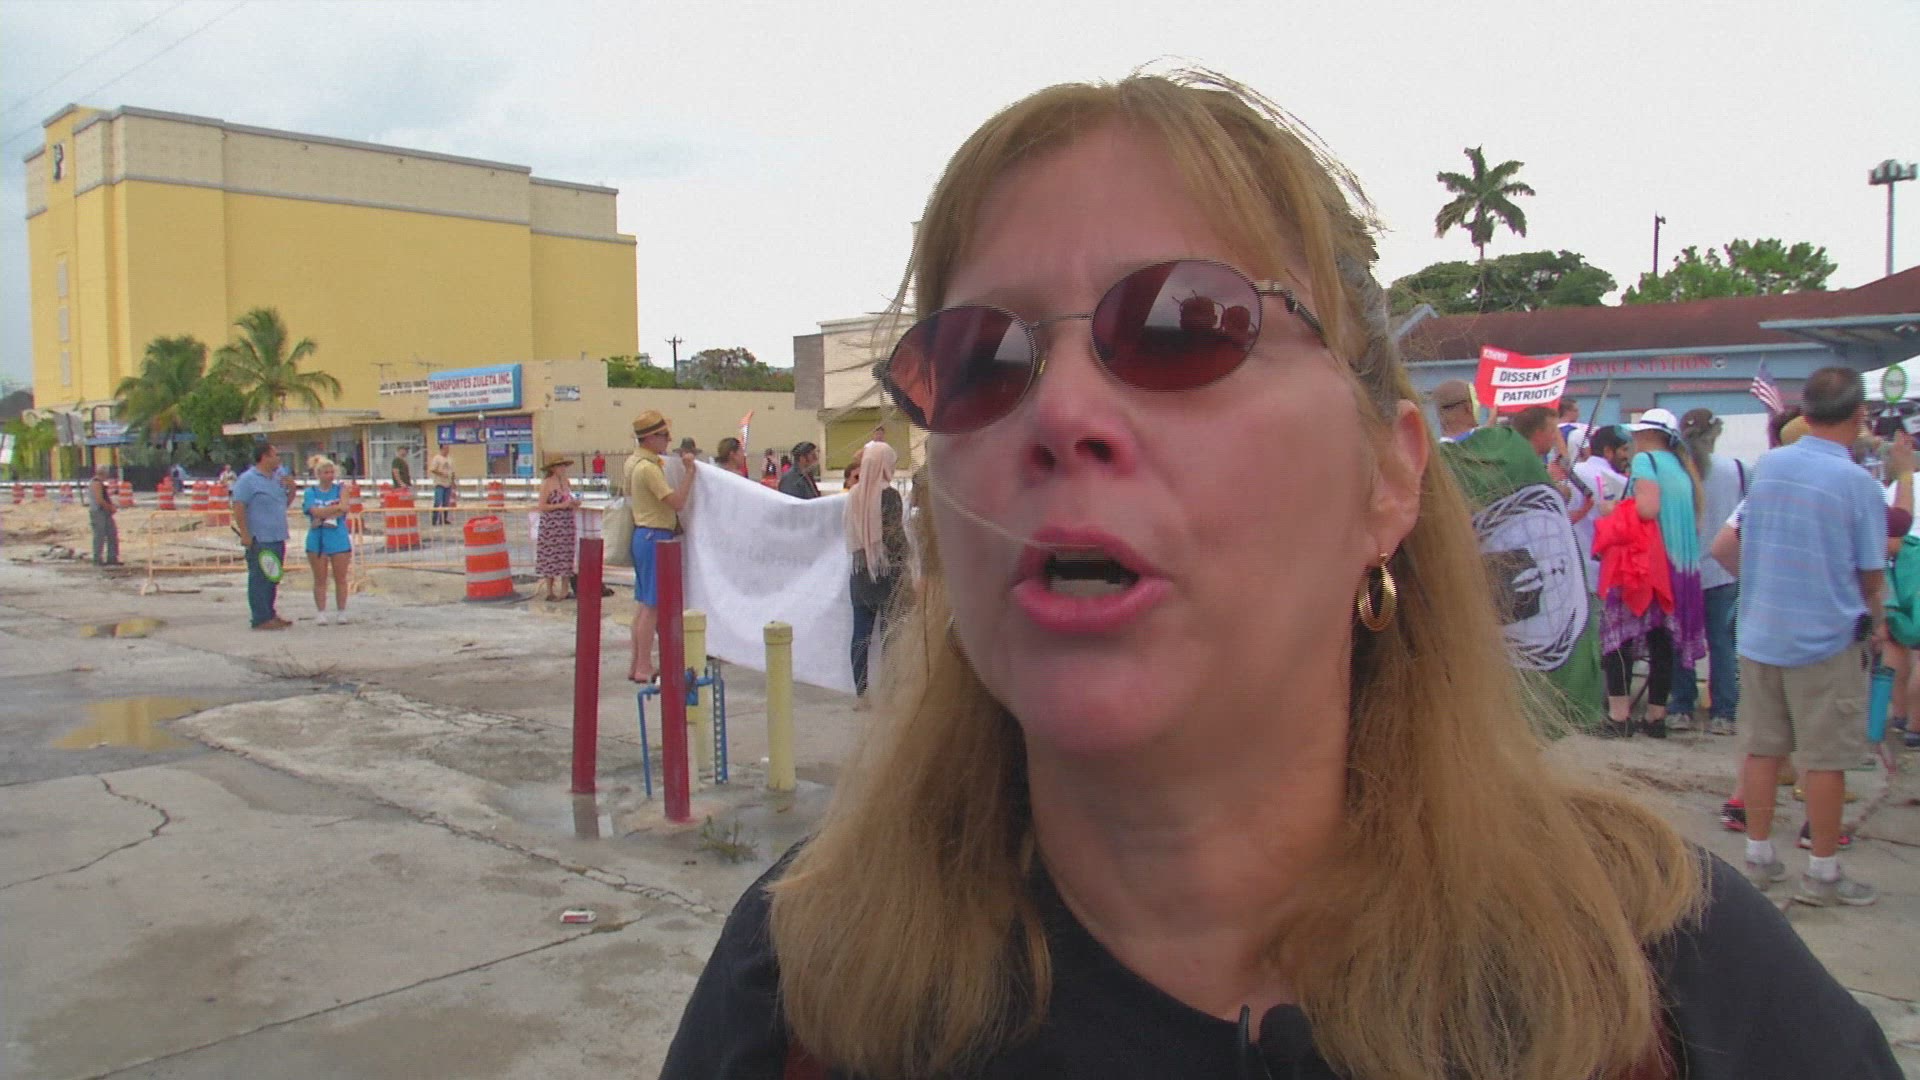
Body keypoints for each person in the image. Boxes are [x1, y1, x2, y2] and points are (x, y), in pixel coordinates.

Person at [660, 71, 1895, 1080]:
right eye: (980, 358)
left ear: (1388, 478)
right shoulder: (800, 990)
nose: (1062, 412)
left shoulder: (1681, 996)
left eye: (1181, 325)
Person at [1724, 367, 1890, 908]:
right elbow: (1870, 571)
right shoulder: (1858, 484)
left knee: (1761, 749)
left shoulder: (1769, 466)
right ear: (1859, 414)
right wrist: (1875, 618)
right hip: (1825, 638)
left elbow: (1736, 541)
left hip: (1760, 632)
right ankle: (1822, 871)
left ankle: (1758, 858)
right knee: (1825, 758)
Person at [1595, 408, 1707, 739]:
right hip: (1678, 566)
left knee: (1619, 638)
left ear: (1647, 435)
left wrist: (1612, 509)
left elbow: (1647, 508)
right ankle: (1656, 716)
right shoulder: (1681, 466)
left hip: (1645, 566)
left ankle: (1619, 715)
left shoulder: (1646, 461)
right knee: (1662, 642)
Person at [1668, 409, 1745, 736]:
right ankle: (1724, 712)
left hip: (1682, 568)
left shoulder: (1674, 471)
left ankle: (1681, 707)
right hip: (1723, 571)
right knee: (1722, 644)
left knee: (1680, 642)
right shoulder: (1737, 470)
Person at [626, 410, 697, 682]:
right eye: (664, 435)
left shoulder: (634, 462)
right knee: (652, 606)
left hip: (643, 535)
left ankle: (637, 663)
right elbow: (676, 502)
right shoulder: (648, 468)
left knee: (644, 604)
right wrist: (689, 473)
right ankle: (643, 665)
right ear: (650, 438)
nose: (668, 440)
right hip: (654, 534)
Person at [844, 440, 906, 701]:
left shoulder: (853, 495)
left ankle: (862, 692)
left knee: (861, 634)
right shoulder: (889, 495)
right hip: (887, 572)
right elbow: (895, 538)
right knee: (890, 634)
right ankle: (890, 690)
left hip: (860, 572)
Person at [233, 443, 292, 630]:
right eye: (275, 455)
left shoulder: (277, 478)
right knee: (260, 579)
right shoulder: (248, 480)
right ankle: (260, 617)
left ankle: (270, 613)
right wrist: (245, 533)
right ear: (265, 457)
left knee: (273, 577)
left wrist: (291, 487)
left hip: (277, 535)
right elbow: (239, 506)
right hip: (260, 537)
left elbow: (284, 502)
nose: (279, 459)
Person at [302, 456, 352, 624]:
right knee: (320, 578)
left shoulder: (341, 490)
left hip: (338, 537)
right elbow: (313, 511)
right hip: (317, 539)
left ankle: (341, 611)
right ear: (318, 474)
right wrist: (334, 509)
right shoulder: (311, 492)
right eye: (326, 473)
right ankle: (321, 612)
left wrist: (325, 512)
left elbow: (344, 508)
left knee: (341, 577)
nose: (329, 476)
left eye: (332, 472)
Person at [534, 453, 580, 600]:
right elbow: (542, 506)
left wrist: (573, 503)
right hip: (551, 526)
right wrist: (560, 505)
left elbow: (569, 498)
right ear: (553, 468)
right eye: (560, 466)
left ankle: (565, 590)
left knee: (566, 556)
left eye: (563, 466)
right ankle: (550, 591)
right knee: (550, 557)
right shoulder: (547, 484)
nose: (563, 468)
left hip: (566, 525)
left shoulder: (566, 482)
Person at [86, 467, 119, 566]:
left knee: (112, 534)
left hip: (103, 512)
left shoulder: (99, 483)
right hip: (98, 512)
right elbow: (100, 500)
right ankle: (97, 559)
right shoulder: (96, 483)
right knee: (99, 536)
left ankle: (112, 558)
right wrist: (110, 508)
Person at [428, 444, 456, 526]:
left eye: (448, 448)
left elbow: (452, 471)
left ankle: (443, 519)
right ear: (441, 449)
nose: (447, 450)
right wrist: (441, 473)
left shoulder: (450, 459)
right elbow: (432, 469)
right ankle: (434, 520)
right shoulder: (437, 458)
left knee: (446, 503)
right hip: (439, 483)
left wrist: (453, 481)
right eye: (445, 448)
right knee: (438, 501)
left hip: (448, 483)